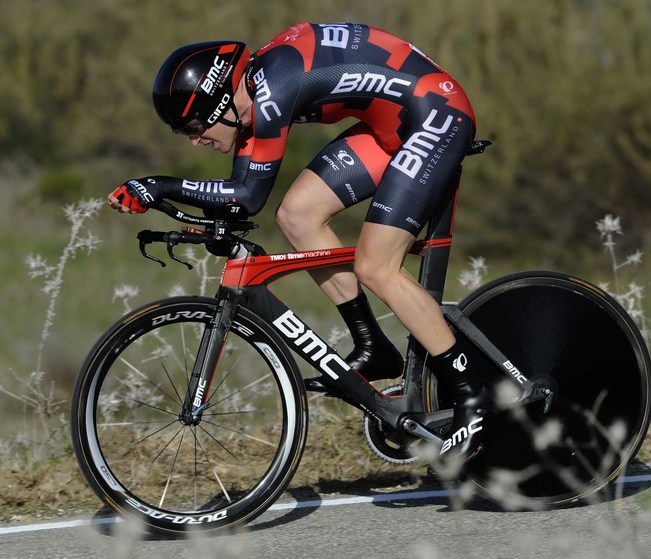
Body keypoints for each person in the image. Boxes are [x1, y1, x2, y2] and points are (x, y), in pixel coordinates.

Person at [108, 22, 484, 457]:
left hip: (437, 114)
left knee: (376, 265)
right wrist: (184, 206)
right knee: (298, 214)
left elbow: (248, 197)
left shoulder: (272, 90)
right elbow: (240, 202)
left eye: (194, 126)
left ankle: (471, 394)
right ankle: (372, 345)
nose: (195, 141)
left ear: (222, 104)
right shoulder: (251, 96)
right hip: (393, 125)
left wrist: (162, 186)